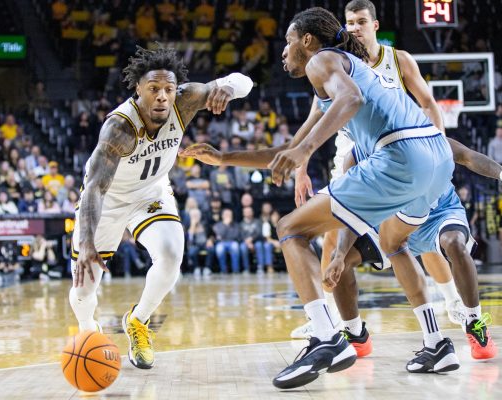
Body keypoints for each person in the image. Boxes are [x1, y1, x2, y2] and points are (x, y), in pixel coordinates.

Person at [183, 7, 457, 388]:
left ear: (307, 40)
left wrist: (306, 150)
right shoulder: (339, 71)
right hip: (437, 160)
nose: (283, 51)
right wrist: (225, 158)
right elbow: (290, 146)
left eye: (287, 41)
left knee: (290, 229)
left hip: (399, 157)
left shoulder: (322, 61)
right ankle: (437, 342)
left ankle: (327, 337)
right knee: (395, 245)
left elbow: (352, 101)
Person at [70, 46, 253, 370]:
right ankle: (89, 333)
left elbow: (245, 82)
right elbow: (95, 188)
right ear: (138, 89)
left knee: (170, 257)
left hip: (150, 192)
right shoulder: (120, 128)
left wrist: (227, 87)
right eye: (153, 89)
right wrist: (85, 243)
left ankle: (138, 321)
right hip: (107, 199)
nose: (162, 97)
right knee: (83, 291)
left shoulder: (186, 99)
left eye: (168, 89)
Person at [292, 0, 457, 340]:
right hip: (357, 155)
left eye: (361, 21)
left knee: (420, 239)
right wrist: (300, 166)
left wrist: (438, 147)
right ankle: (335, 320)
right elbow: (312, 122)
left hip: (401, 153)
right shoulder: (333, 64)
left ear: (375, 25)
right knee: (334, 238)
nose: (354, 27)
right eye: (349, 21)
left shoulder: (397, 60)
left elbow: (428, 103)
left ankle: (454, 302)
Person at [322, 146, 500, 360]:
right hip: (392, 224)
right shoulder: (355, 156)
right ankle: (355, 333)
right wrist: (340, 253)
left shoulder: (422, 135)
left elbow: (467, 156)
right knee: (340, 260)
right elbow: (352, 210)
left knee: (454, 243)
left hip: (438, 215)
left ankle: (474, 322)